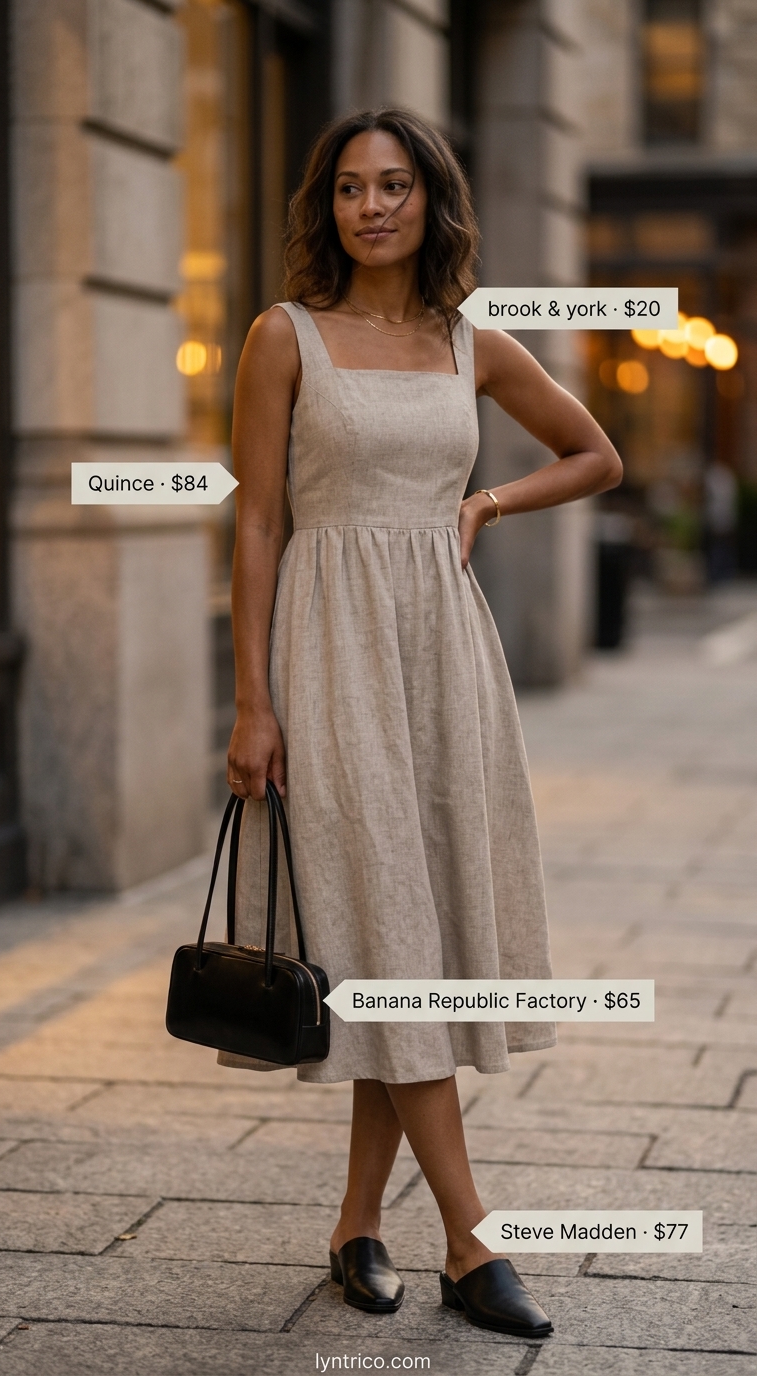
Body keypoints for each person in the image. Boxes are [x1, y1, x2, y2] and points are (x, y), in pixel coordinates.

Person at [223, 108, 622, 1339]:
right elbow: (252, 524)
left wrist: (488, 501)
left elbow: (595, 455)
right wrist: (250, 697)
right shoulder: (281, 336)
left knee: (412, 944)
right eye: (349, 188)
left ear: (429, 198)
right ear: (326, 207)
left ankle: (356, 1222)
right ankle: (471, 1239)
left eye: (394, 185)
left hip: (444, 661)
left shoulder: (471, 342)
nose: (372, 206)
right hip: (330, 653)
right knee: (394, 941)